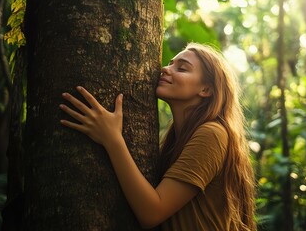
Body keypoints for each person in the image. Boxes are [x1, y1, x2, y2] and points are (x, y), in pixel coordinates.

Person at [59, 42, 256, 230]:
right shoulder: (177, 141)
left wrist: (112, 139)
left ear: (206, 90)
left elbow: (152, 213)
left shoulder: (212, 134)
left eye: (182, 68)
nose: (165, 69)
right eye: (170, 63)